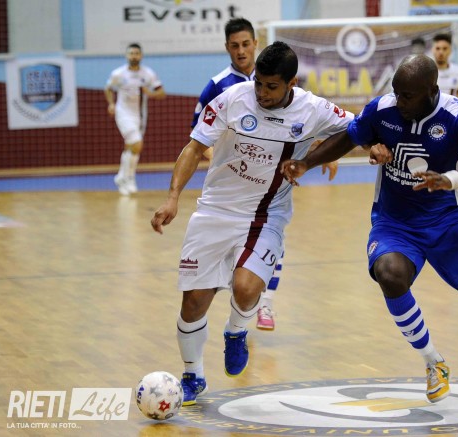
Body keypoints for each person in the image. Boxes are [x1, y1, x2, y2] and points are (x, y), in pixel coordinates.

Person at [281, 54, 458, 404]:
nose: (400, 101)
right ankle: (433, 362)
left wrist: (449, 180)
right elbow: (350, 137)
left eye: (408, 96)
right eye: (396, 93)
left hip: (446, 221)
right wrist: (306, 163)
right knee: (389, 273)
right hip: (394, 223)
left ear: (432, 90)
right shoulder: (382, 109)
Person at [151, 41, 354, 406]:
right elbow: (194, 148)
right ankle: (193, 375)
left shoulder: (313, 108)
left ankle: (236, 331)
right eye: (258, 82)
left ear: (291, 83)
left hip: (265, 214)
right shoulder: (232, 99)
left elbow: (358, 128)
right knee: (193, 302)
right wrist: (172, 197)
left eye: (271, 86)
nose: (262, 92)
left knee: (246, 288)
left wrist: (341, 150)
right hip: (215, 210)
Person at [190, 18, 338, 330]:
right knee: (219, 279)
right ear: (227, 48)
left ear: (256, 44)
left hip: (270, 189)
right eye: (235, 45)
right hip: (229, 191)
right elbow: (199, 134)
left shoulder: (289, 86)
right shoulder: (221, 87)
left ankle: (264, 303)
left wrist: (322, 151)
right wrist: (221, 162)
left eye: (246, 44)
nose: (241, 50)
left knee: (270, 238)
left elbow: (302, 125)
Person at [105, 43, 165, 195]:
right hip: (123, 113)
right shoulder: (118, 74)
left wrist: (150, 93)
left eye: (136, 53)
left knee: (131, 147)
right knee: (137, 143)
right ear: (127, 55)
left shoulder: (148, 74)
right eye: (131, 53)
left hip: (140, 115)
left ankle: (121, 177)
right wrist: (111, 104)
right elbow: (108, 89)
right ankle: (129, 178)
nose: (134, 56)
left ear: (141, 55)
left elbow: (162, 93)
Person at [431, 33, 458, 99]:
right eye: (438, 48)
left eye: (445, 49)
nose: (441, 52)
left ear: (450, 50)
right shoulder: (427, 72)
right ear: (432, 50)